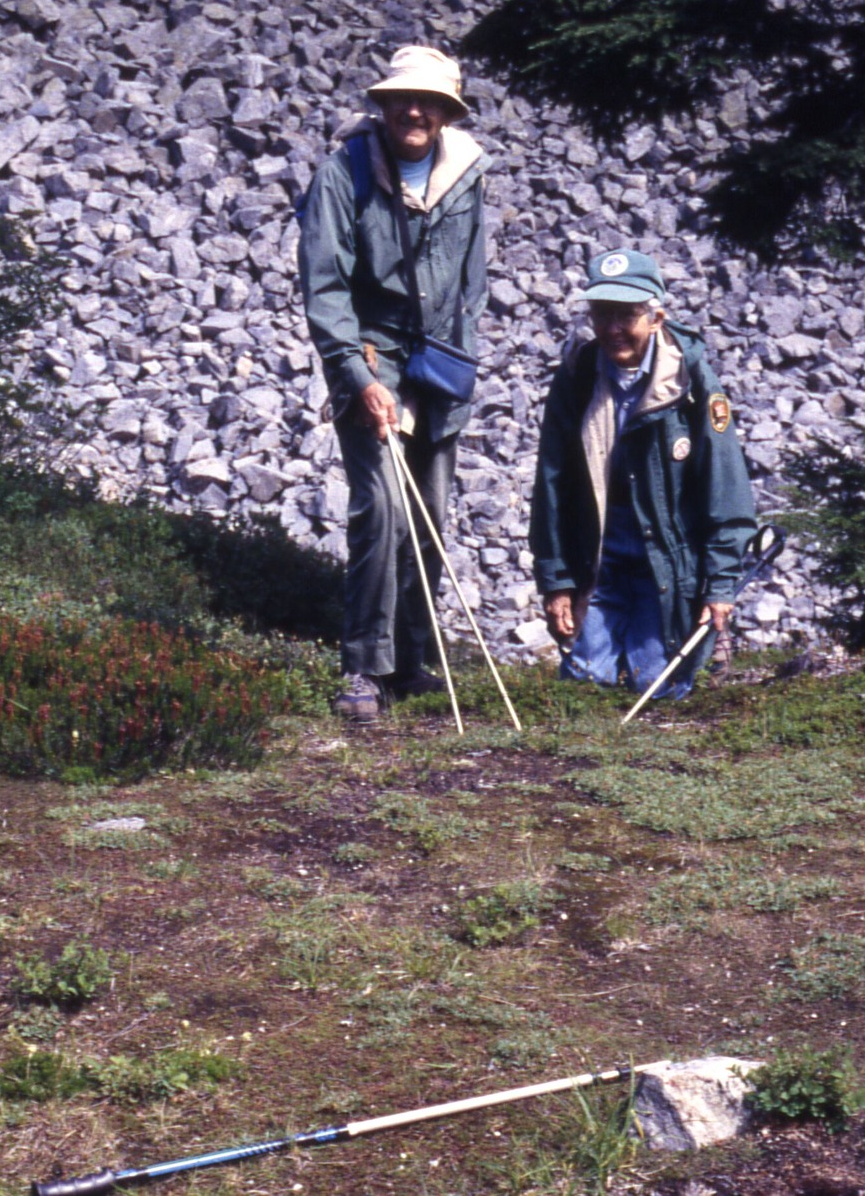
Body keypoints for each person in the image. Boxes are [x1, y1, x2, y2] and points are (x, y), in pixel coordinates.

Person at [298, 46, 491, 723]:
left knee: (431, 515)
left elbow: (473, 282)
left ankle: (415, 657)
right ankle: (363, 665)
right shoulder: (342, 174)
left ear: (446, 112)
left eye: (429, 101)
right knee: (380, 505)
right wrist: (357, 376)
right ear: (382, 105)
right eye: (402, 99)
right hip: (372, 353)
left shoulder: (468, 174)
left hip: (439, 362)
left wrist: (458, 362)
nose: (415, 110)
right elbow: (324, 289)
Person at [529, 249, 756, 696]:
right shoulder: (576, 377)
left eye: (626, 316)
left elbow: (726, 489)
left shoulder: (692, 382)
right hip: (599, 557)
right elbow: (550, 484)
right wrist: (556, 581)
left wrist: (721, 585)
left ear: (656, 317)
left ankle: (705, 641)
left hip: (667, 562)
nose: (612, 329)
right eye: (601, 314)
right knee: (585, 685)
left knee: (658, 688)